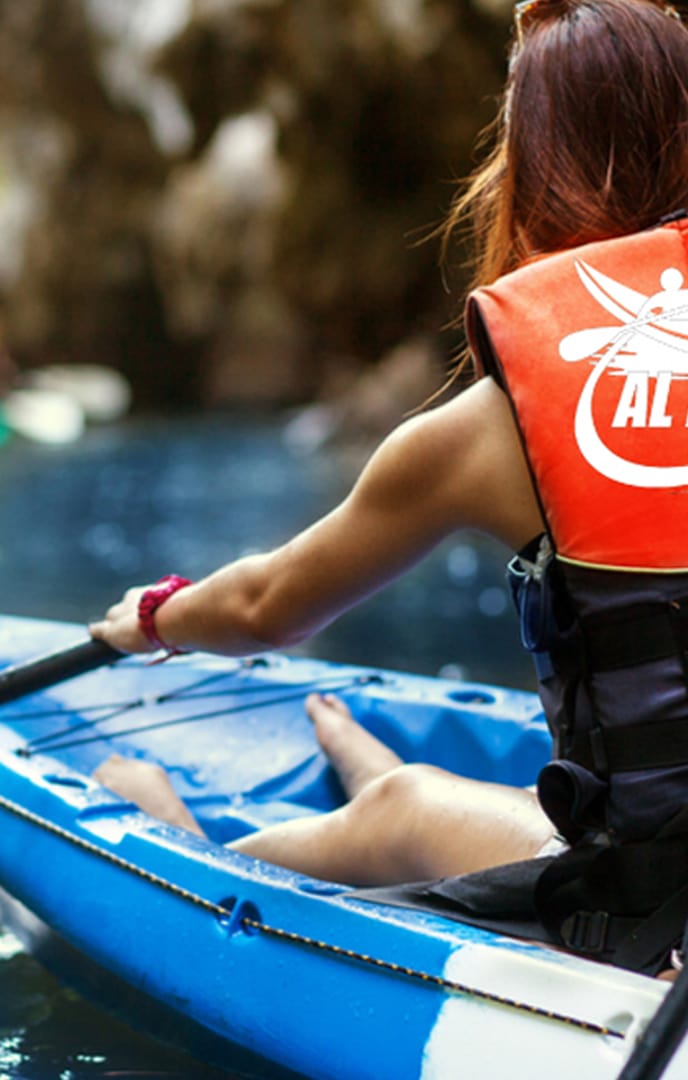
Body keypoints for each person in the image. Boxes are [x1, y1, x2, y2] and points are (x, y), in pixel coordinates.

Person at [90, 0, 688, 973]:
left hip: (655, 924)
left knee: (410, 817)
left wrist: (152, 620)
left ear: (530, 172)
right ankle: (390, 792)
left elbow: (264, 606)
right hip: (662, 864)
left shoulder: (486, 433)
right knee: (408, 804)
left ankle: (181, 843)